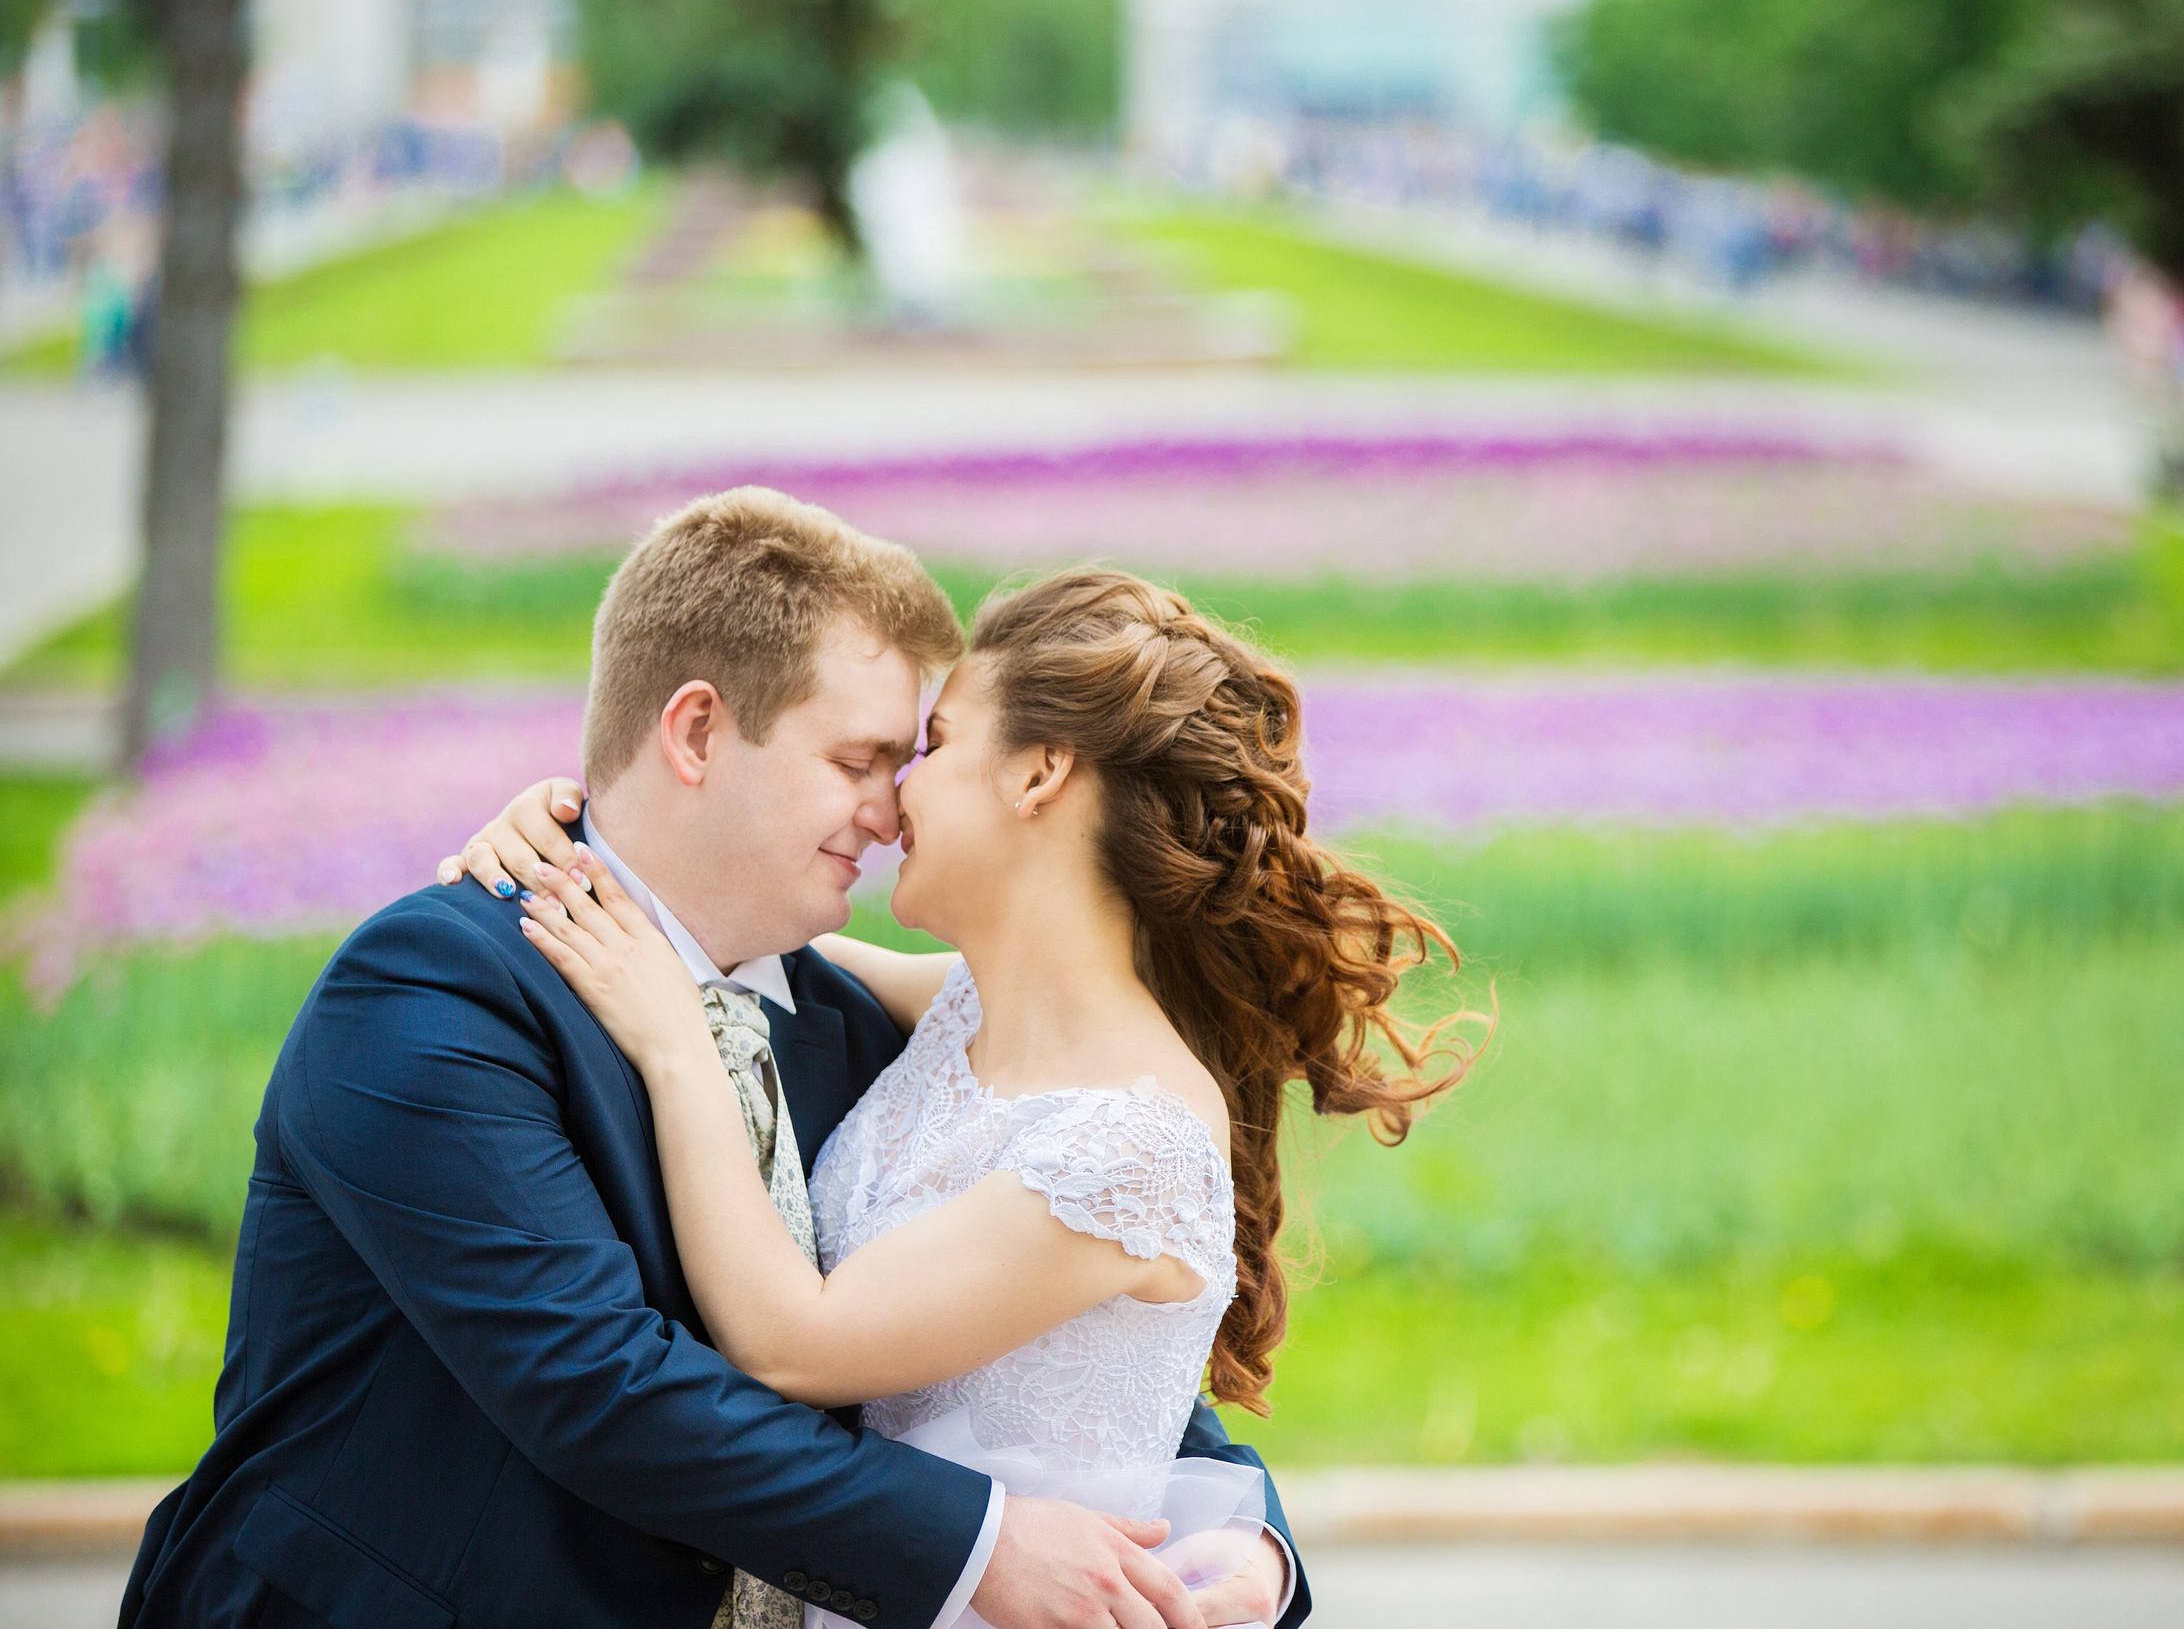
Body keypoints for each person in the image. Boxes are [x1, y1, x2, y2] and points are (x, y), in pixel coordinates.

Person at [122, 491, 1305, 1629]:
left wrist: (1244, 1539)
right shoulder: (442, 989)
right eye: (857, 762)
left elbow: (1033, 1334)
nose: (890, 814)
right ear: (694, 732)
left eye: (910, 759)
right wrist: (982, 1546)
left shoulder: (842, 1018)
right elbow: (600, 1384)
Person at [447, 563, 1483, 1628]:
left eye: (935, 745)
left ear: (1039, 774)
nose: (895, 794)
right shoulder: (958, 1011)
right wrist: (580, 833)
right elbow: (705, 928)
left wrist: (674, 1050)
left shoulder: (1132, 1141)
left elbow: (793, 1342)